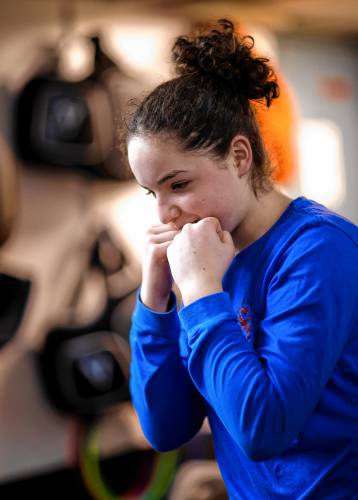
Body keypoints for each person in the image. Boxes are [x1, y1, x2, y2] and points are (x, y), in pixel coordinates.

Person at [126, 19, 358, 499]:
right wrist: (155, 301)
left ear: (238, 156)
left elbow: (263, 429)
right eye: (152, 192)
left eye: (179, 184)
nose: (164, 212)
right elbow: (167, 430)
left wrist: (203, 294)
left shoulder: (319, 252)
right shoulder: (205, 258)